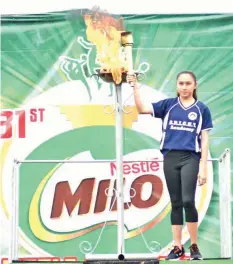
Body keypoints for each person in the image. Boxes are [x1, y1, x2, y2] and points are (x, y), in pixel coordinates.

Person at [127, 71, 213, 260]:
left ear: (195, 85)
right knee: (175, 203)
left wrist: (203, 167)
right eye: (181, 83)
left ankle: (195, 246)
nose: (184, 87)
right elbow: (142, 108)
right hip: (170, 157)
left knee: (188, 201)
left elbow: (204, 140)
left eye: (188, 83)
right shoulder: (168, 105)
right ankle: (177, 246)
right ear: (177, 85)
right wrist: (134, 86)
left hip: (190, 157)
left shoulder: (202, 109)